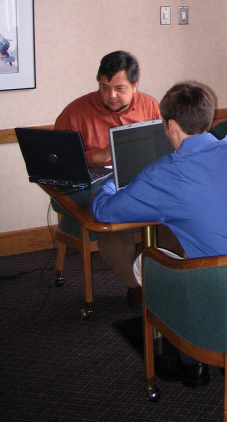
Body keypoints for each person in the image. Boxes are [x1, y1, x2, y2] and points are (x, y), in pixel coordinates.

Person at [92, 81, 227, 386]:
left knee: (147, 262)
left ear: (171, 126)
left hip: (220, 295)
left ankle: (190, 360)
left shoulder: (165, 173)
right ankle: (225, 351)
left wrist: (111, 183)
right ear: (208, 120)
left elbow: (105, 212)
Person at [54, 50, 161, 301]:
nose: (111, 95)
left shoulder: (149, 105)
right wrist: (97, 156)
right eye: (104, 87)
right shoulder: (76, 112)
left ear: (135, 85)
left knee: (174, 216)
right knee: (111, 225)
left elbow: (161, 148)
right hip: (96, 185)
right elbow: (58, 162)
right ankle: (137, 287)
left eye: (120, 88)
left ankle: (164, 276)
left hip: (140, 180)